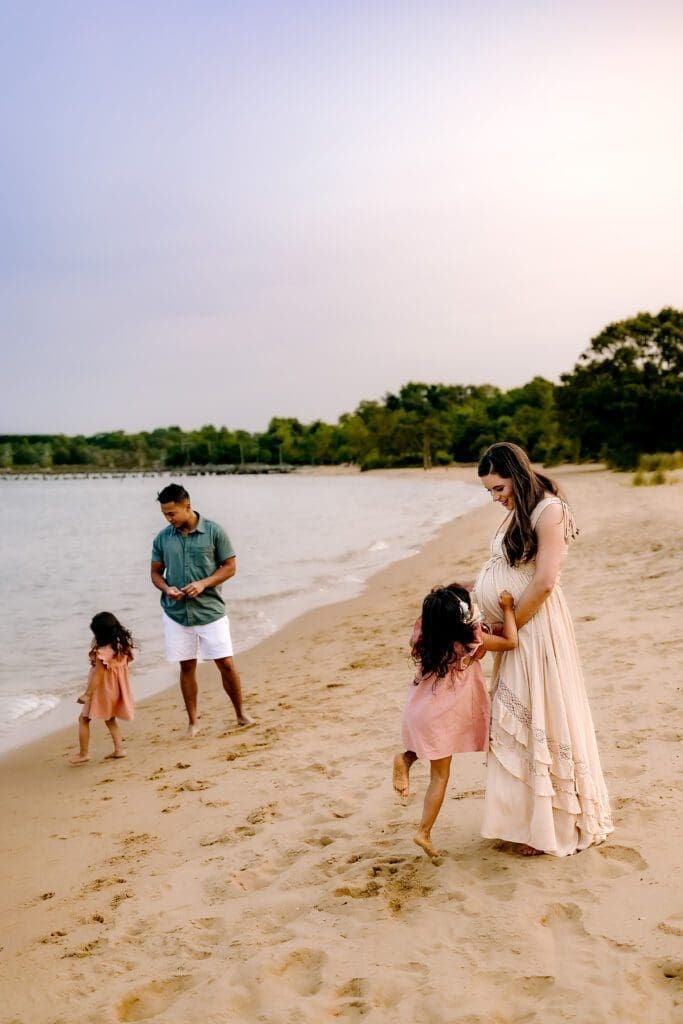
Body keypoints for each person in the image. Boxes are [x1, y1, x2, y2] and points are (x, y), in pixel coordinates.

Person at [473, 442, 613, 856]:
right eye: (490, 492)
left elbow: (546, 579)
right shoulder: (519, 510)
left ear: (516, 474)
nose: (496, 498)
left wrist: (509, 622)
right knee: (517, 711)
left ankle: (550, 825)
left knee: (542, 712)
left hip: (535, 628)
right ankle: (520, 821)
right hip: (516, 625)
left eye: (499, 488)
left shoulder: (549, 510)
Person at [394, 583, 518, 859]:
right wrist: (508, 609)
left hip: (419, 710)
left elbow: (442, 607)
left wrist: (468, 586)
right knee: (440, 775)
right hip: (440, 715)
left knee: (430, 749)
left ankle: (406, 759)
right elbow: (510, 642)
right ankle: (423, 832)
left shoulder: (425, 635)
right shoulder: (469, 641)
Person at [151, 483, 253, 737]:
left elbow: (230, 567)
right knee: (187, 667)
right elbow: (155, 573)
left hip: (210, 611)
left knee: (226, 664)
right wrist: (166, 589)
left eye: (172, 513)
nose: (168, 519)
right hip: (176, 613)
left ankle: (240, 713)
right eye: (165, 514)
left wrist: (204, 583)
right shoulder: (162, 538)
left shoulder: (214, 532)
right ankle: (193, 722)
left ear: (188, 506)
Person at [69, 612, 135, 764]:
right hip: (117, 689)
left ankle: (83, 753)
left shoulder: (103, 651)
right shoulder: (122, 645)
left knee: (84, 719)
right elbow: (124, 665)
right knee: (110, 719)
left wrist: (87, 694)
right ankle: (119, 749)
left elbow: (99, 675)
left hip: (102, 689)